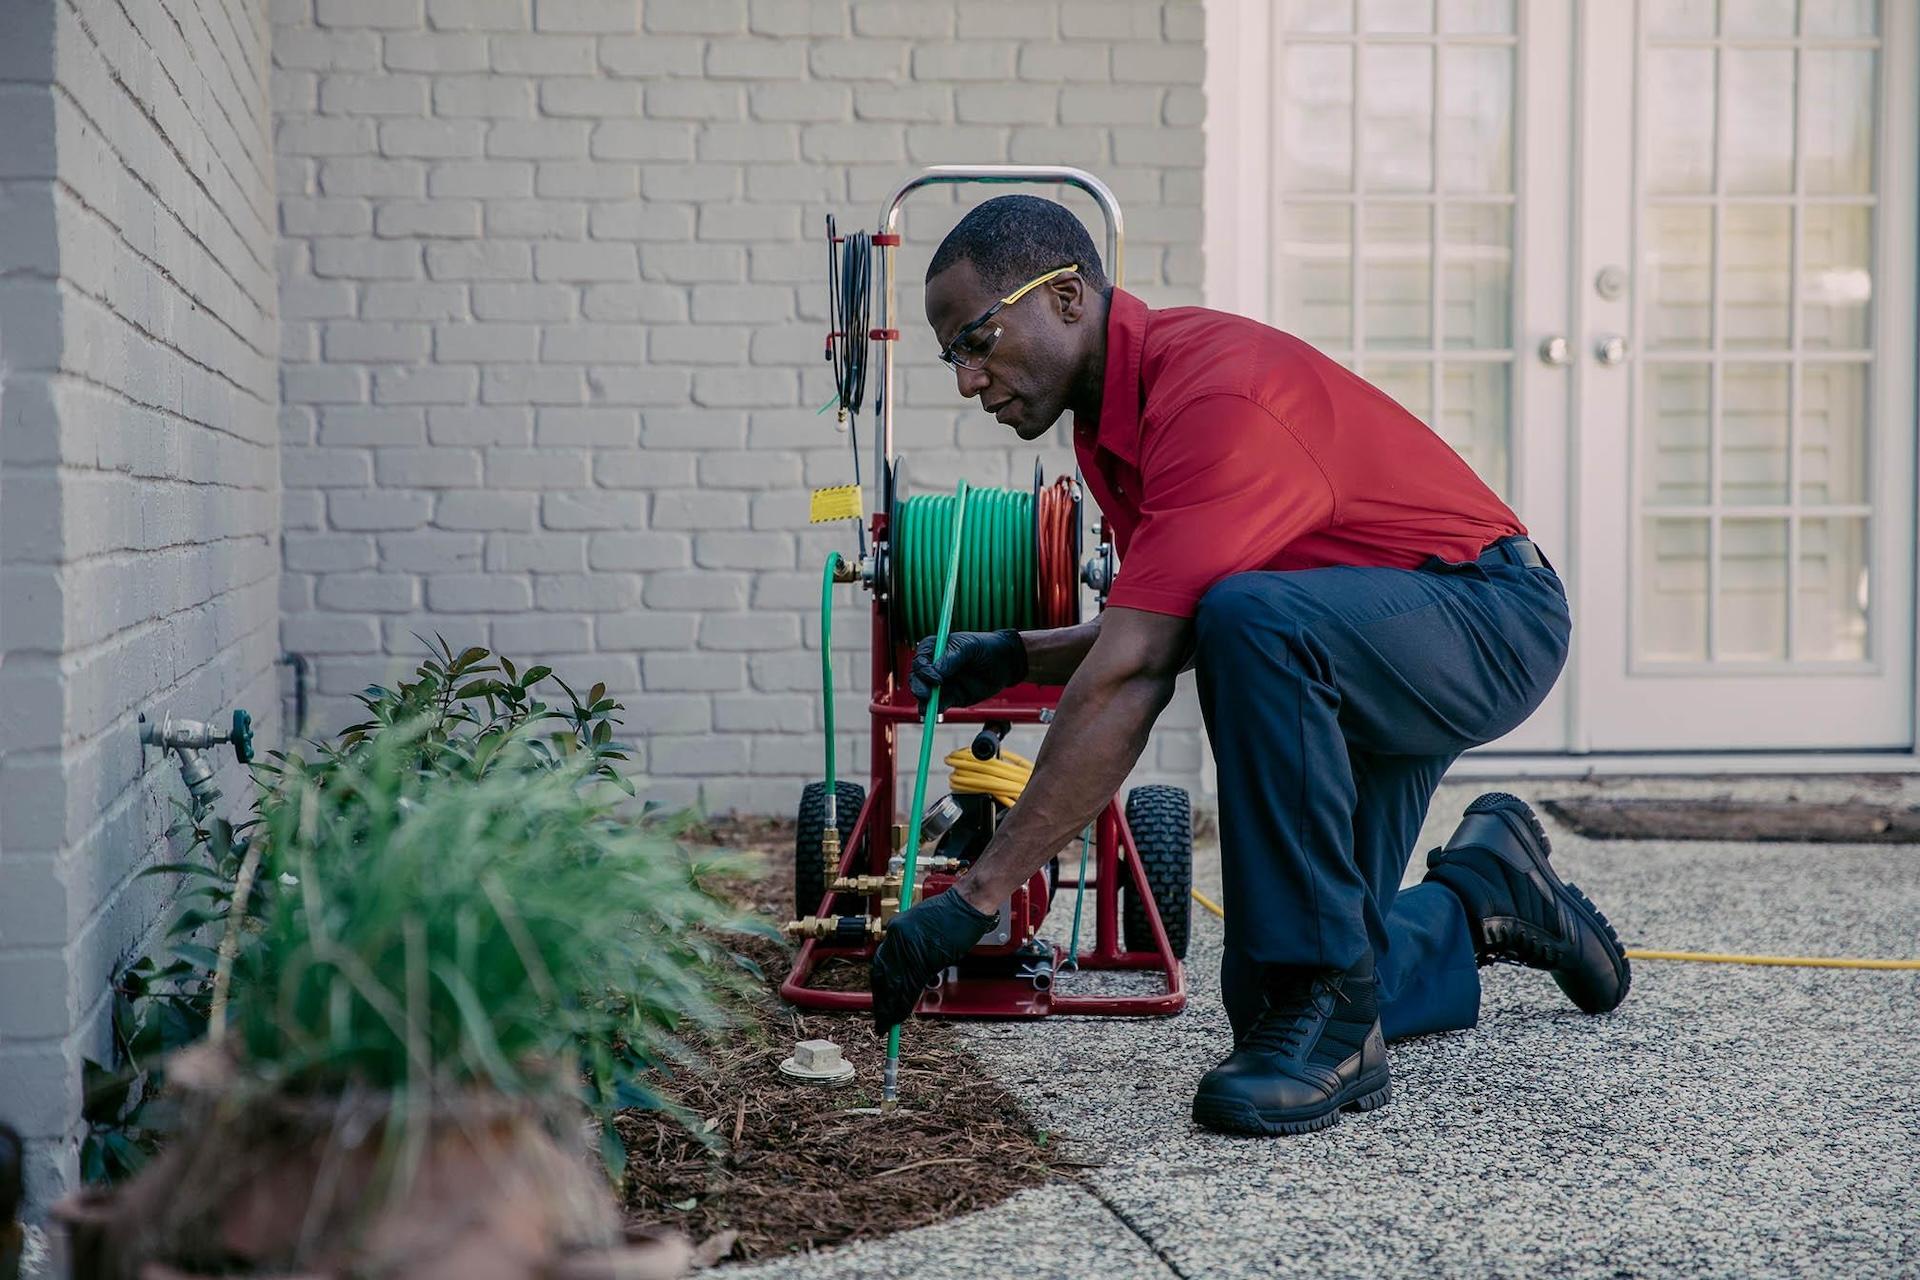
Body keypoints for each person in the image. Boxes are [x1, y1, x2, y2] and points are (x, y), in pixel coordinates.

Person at [868, 195, 1630, 1137]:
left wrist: (976, 898)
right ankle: (1486, 892)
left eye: (976, 339)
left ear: (1065, 296)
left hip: (1485, 619)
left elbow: (1138, 667)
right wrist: (1019, 655)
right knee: (1274, 1001)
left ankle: (1337, 1022)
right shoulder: (1112, 421)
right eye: (953, 354)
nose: (966, 378)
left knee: (1254, 629)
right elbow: (1160, 621)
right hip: (1361, 647)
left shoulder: (1214, 397)